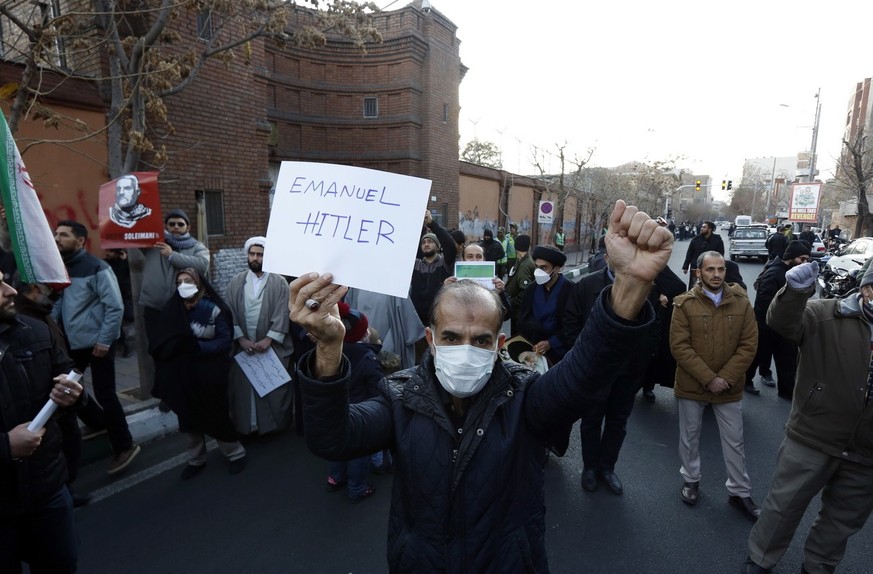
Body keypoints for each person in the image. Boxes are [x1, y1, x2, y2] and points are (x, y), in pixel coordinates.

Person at [292, 199, 673, 572]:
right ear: (431, 338)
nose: (465, 350)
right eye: (452, 337)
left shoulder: (525, 396)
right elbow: (333, 438)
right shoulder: (399, 397)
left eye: (480, 340)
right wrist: (328, 347)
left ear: (499, 344)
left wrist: (630, 286)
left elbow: (585, 374)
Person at [741, 261, 873, 574]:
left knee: (843, 519)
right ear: (866, 287)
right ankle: (761, 559)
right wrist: (795, 293)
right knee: (783, 506)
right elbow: (783, 322)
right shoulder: (825, 314)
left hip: (866, 452)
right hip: (814, 434)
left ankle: (819, 566)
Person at [0, 275, 85, 573]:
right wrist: (6, 446)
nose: (11, 291)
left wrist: (73, 392)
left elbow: (67, 374)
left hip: (46, 488)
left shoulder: (35, 331)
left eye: (4, 282)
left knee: (60, 565)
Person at [670, 251, 761, 520]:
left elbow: (749, 344)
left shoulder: (742, 303)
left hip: (729, 387)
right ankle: (691, 480)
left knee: (735, 441)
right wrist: (710, 378)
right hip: (692, 385)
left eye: (721, 269)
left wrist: (725, 378)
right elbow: (679, 347)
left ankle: (739, 492)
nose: (717, 274)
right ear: (698, 273)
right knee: (689, 437)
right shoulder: (684, 305)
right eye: (710, 269)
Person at [563, 251, 661, 495]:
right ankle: (589, 467)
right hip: (595, 371)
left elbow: (654, 325)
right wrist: (585, 358)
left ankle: (607, 468)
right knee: (591, 420)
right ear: (607, 258)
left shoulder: (646, 287)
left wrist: (644, 359)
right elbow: (571, 323)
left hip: (628, 371)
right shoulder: (587, 285)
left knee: (617, 422)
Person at [53, 220, 140, 475]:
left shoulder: (97, 267)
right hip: (71, 343)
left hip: (97, 343)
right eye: (56, 234)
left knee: (106, 394)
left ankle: (125, 445)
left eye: (64, 235)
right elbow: (61, 303)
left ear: (80, 241)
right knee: (68, 387)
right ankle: (97, 421)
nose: (57, 239)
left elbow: (115, 307)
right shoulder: (62, 266)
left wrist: (104, 341)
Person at [149, 268, 246, 479]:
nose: (184, 285)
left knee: (216, 413)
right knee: (188, 417)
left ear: (199, 283)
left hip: (209, 372)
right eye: (180, 281)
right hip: (182, 374)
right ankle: (196, 459)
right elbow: (160, 341)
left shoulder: (214, 309)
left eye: (188, 280)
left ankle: (235, 453)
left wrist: (198, 348)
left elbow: (224, 340)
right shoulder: (172, 310)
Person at [225, 237, 294, 437]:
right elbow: (230, 312)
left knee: (273, 388)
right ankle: (249, 427)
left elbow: (283, 311)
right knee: (244, 390)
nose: (255, 258)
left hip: (271, 347)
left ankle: (272, 428)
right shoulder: (236, 282)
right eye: (252, 254)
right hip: (244, 346)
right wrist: (241, 339)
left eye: (260, 254)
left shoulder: (279, 282)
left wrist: (269, 339)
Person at [324, 303, 383, 502]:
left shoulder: (332, 351)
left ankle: (335, 477)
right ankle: (357, 487)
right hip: (360, 411)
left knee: (338, 445)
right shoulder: (367, 357)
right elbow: (377, 387)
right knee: (358, 450)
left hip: (334, 406)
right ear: (360, 335)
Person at [744, 240, 810, 398]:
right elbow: (763, 301)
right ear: (792, 257)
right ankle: (745, 382)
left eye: (807, 259)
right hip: (766, 325)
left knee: (788, 359)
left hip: (784, 326)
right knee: (756, 357)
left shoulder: (791, 273)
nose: (804, 263)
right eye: (802, 259)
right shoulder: (775, 273)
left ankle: (787, 391)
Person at [140, 208, 210, 353]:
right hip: (155, 308)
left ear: (188, 227)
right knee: (157, 349)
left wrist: (172, 256)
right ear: (166, 226)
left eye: (180, 224)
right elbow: (133, 235)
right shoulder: (154, 244)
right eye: (172, 224)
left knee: (181, 349)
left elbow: (202, 265)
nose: (176, 227)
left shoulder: (196, 246)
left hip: (184, 308)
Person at [517, 245, 571, 366]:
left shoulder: (571, 290)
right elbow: (523, 318)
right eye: (537, 267)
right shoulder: (531, 289)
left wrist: (551, 342)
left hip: (560, 352)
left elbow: (573, 325)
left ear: (556, 269)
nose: (538, 272)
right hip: (533, 349)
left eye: (544, 267)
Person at [409, 210, 456, 327]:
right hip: (417, 321)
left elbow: (450, 244)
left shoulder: (444, 263)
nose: (426, 244)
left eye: (430, 241)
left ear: (438, 246)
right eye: (423, 242)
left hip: (440, 319)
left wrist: (431, 223)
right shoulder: (415, 265)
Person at [104, 248, 133, 358]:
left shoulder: (124, 263)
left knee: (127, 317)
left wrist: (124, 260)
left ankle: (124, 345)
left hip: (123, 296)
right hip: (111, 297)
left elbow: (127, 276)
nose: (107, 253)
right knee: (118, 322)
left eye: (110, 252)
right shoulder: (105, 263)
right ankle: (125, 345)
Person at [505, 234, 534, 336]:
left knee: (517, 337)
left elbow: (526, 290)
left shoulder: (525, 265)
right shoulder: (521, 260)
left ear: (516, 247)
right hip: (518, 311)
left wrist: (511, 302)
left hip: (519, 312)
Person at [681, 221, 725, 290]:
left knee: (709, 285)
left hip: (711, 267)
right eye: (702, 227)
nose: (701, 228)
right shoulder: (695, 240)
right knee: (693, 286)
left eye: (704, 227)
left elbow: (721, 254)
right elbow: (690, 253)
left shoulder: (717, 240)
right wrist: (685, 266)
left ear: (710, 229)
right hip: (696, 267)